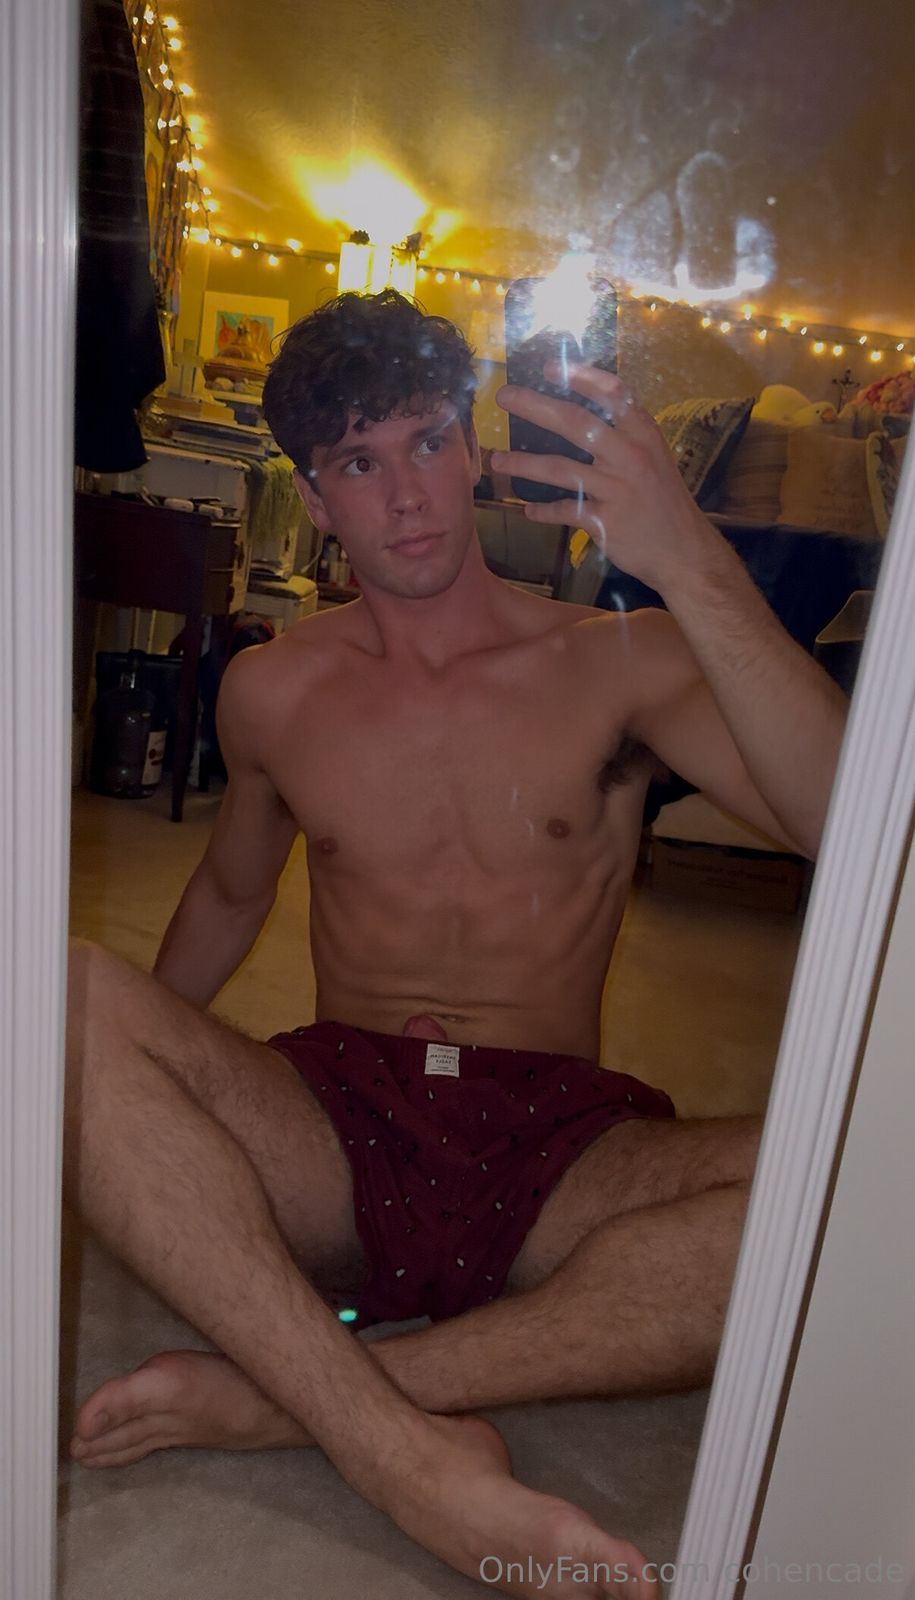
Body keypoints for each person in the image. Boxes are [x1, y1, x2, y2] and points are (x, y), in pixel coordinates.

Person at [65, 290, 847, 1599]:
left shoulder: (621, 661)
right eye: (358, 463)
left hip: (562, 1152)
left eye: (428, 441)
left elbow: (858, 831)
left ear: (474, 444)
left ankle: (304, 1398)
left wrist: (693, 560)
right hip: (338, 1122)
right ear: (314, 498)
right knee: (61, 1003)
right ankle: (404, 1458)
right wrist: (127, 1105)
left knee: (866, 1186)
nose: (407, 496)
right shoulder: (272, 688)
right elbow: (227, 898)